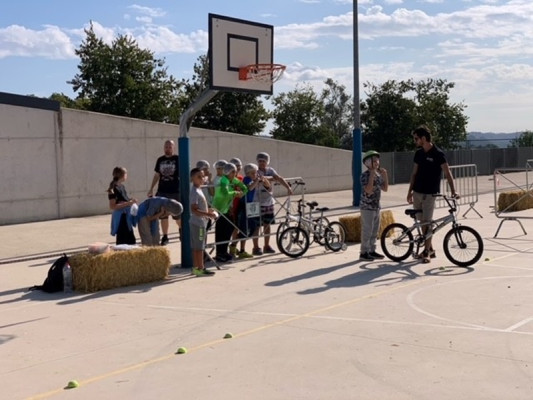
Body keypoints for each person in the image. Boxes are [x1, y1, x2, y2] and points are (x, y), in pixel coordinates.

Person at [407, 125, 459, 263]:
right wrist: (409, 192)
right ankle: (430, 249)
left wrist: (453, 191)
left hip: (430, 194)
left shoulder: (438, 154)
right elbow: (414, 174)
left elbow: (448, 173)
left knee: (427, 222)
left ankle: (426, 252)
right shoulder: (419, 153)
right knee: (422, 223)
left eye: (416, 138)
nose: (415, 141)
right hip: (417, 192)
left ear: (424, 138)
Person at [254, 152, 292, 255]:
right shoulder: (255, 171)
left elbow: (278, 178)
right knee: (257, 226)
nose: (261, 163)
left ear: (267, 162)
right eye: (260, 161)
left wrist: (288, 187)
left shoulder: (270, 170)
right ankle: (256, 247)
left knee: (267, 224)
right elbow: (260, 179)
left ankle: (267, 245)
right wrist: (271, 178)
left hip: (268, 201)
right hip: (257, 201)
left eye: (263, 161)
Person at [212, 162, 247, 262]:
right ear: (229, 172)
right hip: (220, 208)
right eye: (234, 172)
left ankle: (224, 251)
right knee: (221, 231)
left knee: (229, 229)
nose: (235, 174)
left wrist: (242, 193)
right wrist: (236, 193)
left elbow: (244, 187)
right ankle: (220, 252)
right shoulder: (224, 180)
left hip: (227, 208)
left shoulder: (233, 179)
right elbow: (225, 193)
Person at [147, 140, 180, 246]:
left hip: (175, 191)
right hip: (162, 191)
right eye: (166, 147)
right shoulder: (160, 160)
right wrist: (151, 188)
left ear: (173, 148)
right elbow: (157, 175)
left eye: (170, 147)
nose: (167, 149)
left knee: (177, 215)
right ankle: (165, 236)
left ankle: (181, 230)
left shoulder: (178, 159)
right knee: (163, 215)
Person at [359, 151, 388, 261]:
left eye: (377, 160)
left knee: (375, 230)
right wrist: (371, 174)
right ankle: (363, 252)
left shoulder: (378, 175)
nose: (377, 162)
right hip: (367, 207)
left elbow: (385, 188)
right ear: (367, 162)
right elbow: (368, 190)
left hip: (376, 206)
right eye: (374, 160)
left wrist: (385, 176)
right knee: (367, 230)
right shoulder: (364, 175)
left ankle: (371, 250)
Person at [237, 163, 269, 258]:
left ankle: (238, 245)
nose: (255, 175)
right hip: (244, 205)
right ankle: (239, 247)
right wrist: (256, 181)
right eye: (253, 173)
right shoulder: (246, 180)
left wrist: (262, 180)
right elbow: (249, 188)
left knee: (252, 226)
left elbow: (267, 186)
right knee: (245, 227)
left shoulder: (253, 179)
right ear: (248, 173)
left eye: (256, 173)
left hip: (251, 205)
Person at [189, 167, 217, 276]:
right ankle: (200, 268)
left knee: (197, 246)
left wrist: (208, 210)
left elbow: (199, 207)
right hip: (198, 223)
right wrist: (208, 214)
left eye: (202, 176)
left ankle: (196, 267)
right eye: (198, 177)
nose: (201, 179)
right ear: (193, 178)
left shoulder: (199, 189)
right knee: (200, 246)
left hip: (199, 222)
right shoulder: (195, 191)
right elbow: (194, 209)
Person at [107, 166, 137, 245]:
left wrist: (130, 201)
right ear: (123, 175)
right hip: (121, 217)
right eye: (126, 173)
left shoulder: (122, 186)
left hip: (126, 215)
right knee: (123, 240)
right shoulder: (113, 189)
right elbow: (112, 206)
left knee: (131, 240)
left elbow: (124, 199)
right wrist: (128, 203)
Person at [228, 157, 244, 256]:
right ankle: (230, 247)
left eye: (239, 166)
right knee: (232, 227)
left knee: (237, 228)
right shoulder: (229, 179)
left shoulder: (241, 178)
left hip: (240, 205)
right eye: (235, 167)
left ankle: (233, 246)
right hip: (231, 205)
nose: (237, 169)